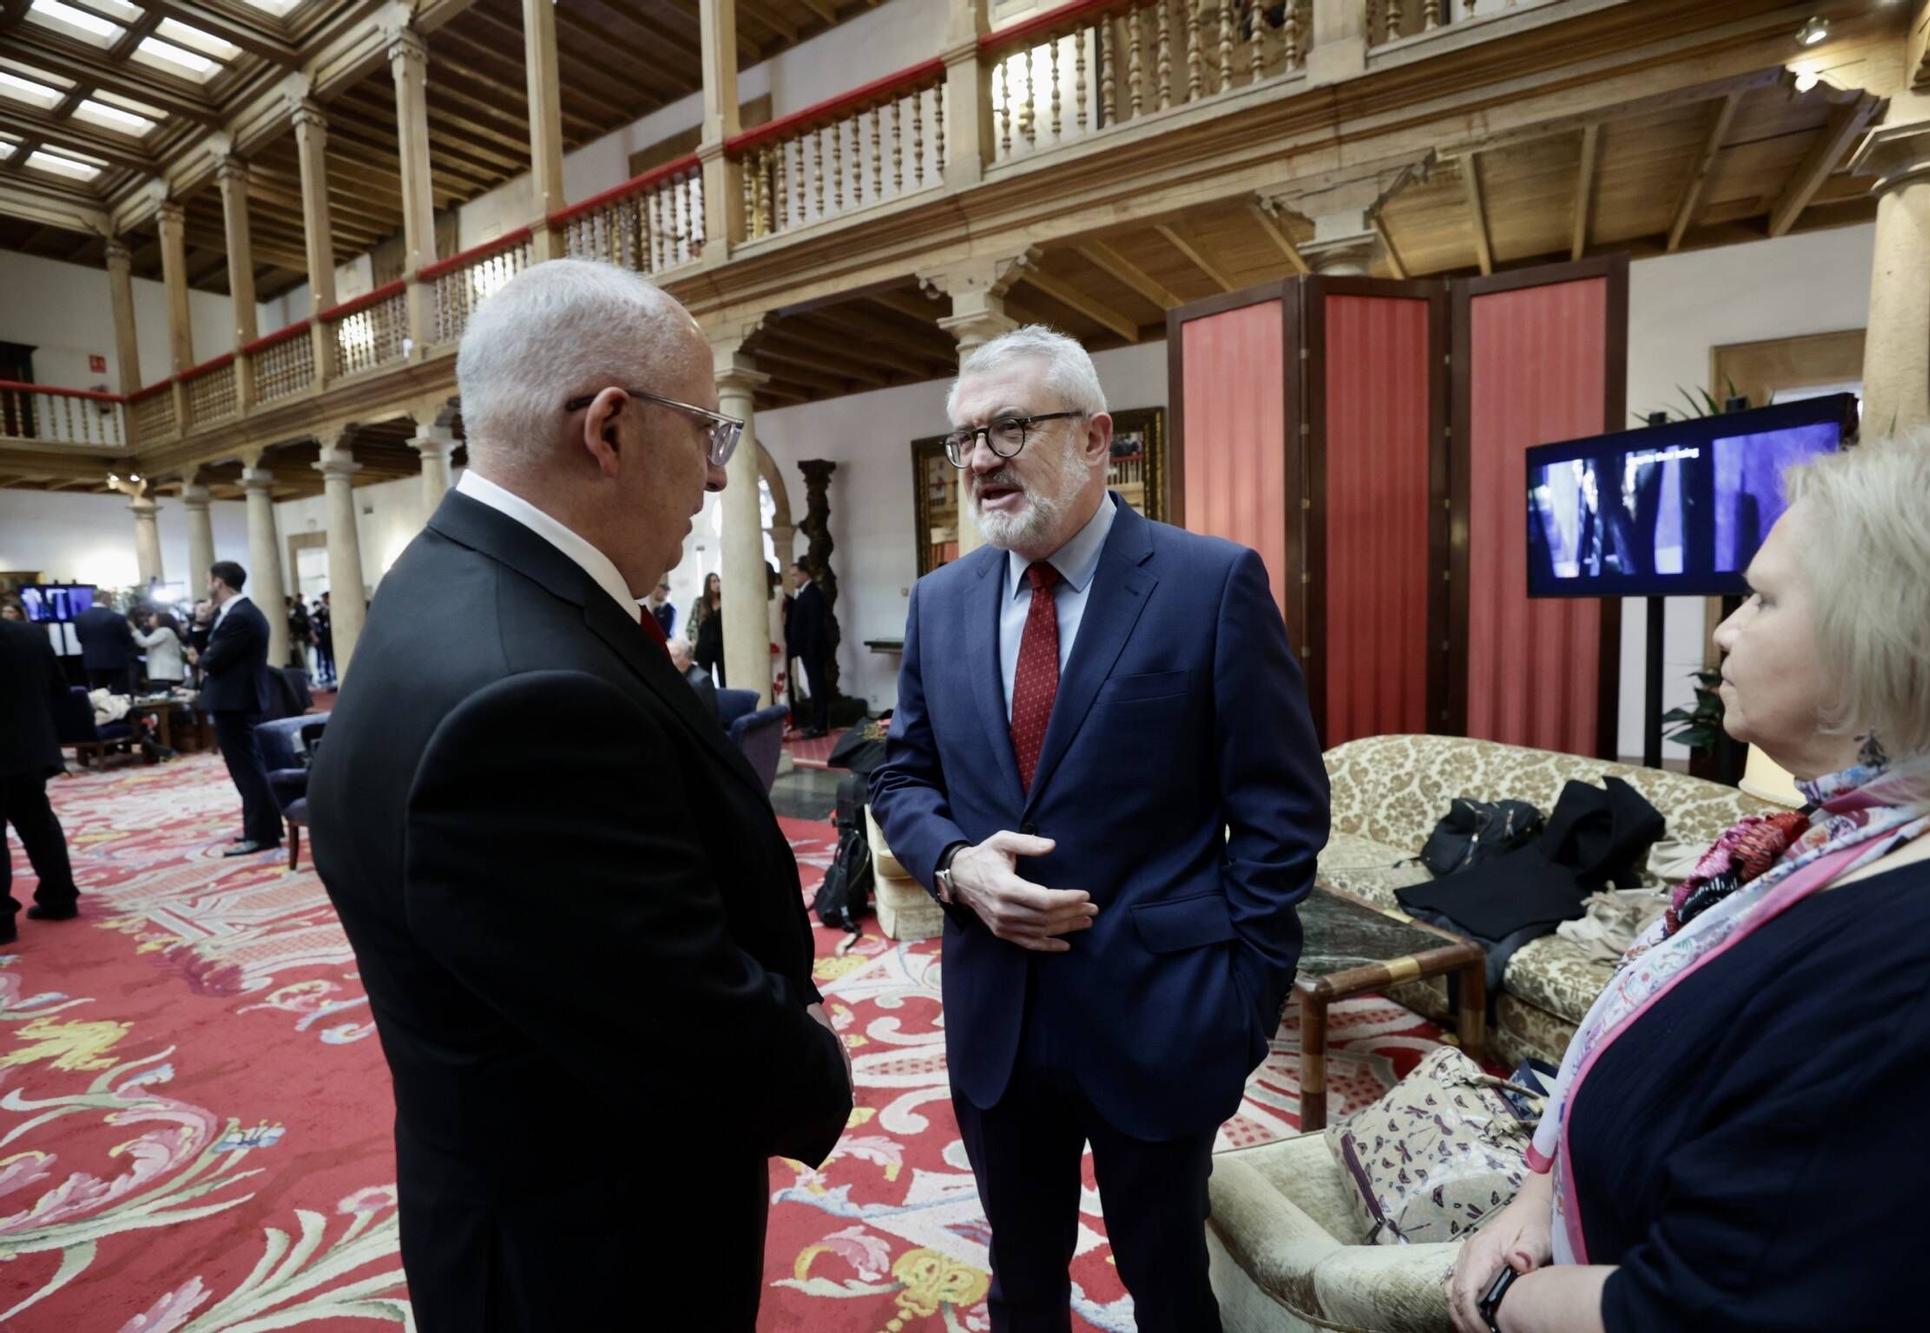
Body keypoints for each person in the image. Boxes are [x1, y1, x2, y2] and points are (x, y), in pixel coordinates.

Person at [307, 259, 851, 1331]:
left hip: (519, 1192)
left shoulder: (448, 576)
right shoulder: (523, 695)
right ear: (607, 428)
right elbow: (676, 1020)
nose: (709, 480)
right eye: (707, 433)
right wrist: (812, 1062)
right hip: (592, 1252)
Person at [1446, 413, 1930, 1333]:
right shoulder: (1842, 834)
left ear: (1896, 636)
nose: (1723, 634)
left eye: (1763, 601)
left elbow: (1711, 1302)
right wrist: (1535, 1196)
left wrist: (1504, 1297)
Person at [869, 326, 1329, 1331]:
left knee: (1166, 1282)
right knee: (1020, 1278)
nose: (980, 458)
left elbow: (1280, 812)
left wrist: (1239, 1004)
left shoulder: (1209, 584)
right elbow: (901, 776)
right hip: (995, 1015)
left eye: (1007, 428)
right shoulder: (939, 601)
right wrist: (953, 864)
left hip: (1161, 1016)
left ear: (1092, 436)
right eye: (962, 439)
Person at [189, 561, 281, 856]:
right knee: (246, 767)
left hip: (236, 701)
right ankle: (263, 829)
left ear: (219, 582)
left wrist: (202, 657)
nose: (207, 585)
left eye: (209, 579)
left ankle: (262, 833)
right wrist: (201, 625)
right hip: (234, 700)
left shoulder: (241, 616)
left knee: (248, 770)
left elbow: (211, 660)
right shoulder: (232, 614)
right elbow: (208, 652)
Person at [0, 612, 81, 944]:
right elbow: (60, 690)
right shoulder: (31, 635)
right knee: (39, 825)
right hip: (30, 751)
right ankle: (60, 899)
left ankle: (2, 922)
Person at [786, 559, 833, 738]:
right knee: (815, 687)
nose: (793, 579)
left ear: (805, 574)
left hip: (813, 650)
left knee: (817, 687)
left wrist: (809, 649)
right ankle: (817, 723)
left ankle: (820, 726)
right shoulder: (805, 593)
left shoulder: (812, 594)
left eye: (795, 575)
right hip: (808, 650)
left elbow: (814, 626)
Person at [74, 589, 133, 693]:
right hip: (117, 662)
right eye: (111, 599)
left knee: (99, 696)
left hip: (92, 662)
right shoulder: (117, 618)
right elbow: (127, 640)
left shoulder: (79, 618)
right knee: (120, 696)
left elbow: (80, 639)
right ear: (105, 598)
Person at [132, 610, 187, 692]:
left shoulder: (164, 631)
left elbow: (144, 642)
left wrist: (133, 629)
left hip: (165, 674)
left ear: (160, 619)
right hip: (168, 673)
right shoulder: (165, 632)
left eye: (153, 616)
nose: (149, 618)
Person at [667, 636, 721, 717]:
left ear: (689, 658)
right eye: (667, 655)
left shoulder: (701, 682)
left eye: (674, 656)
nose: (669, 661)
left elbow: (706, 717)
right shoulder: (671, 676)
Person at [690, 569, 724, 686]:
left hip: (721, 645)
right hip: (704, 645)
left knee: (724, 678)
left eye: (718, 580)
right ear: (708, 585)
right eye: (713, 581)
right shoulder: (700, 602)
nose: (717, 584)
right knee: (705, 678)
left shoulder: (725, 601)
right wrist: (694, 641)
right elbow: (692, 625)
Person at [310, 593, 336, 687]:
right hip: (324, 637)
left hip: (332, 636)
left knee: (332, 657)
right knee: (325, 657)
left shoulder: (333, 609)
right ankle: (327, 674)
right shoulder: (322, 610)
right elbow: (313, 618)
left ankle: (333, 674)